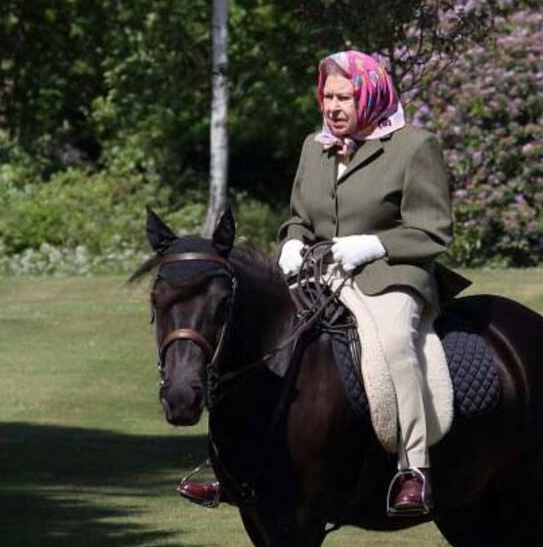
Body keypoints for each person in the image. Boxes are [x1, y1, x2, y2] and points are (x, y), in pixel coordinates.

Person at [179, 50, 454, 516]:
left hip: (390, 274)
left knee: (394, 343)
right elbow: (299, 218)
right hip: (320, 273)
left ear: (370, 95)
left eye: (344, 97)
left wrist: (374, 245)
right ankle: (230, 468)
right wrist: (291, 241)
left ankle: (414, 468)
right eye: (327, 97)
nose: (332, 107)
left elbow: (433, 230)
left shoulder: (415, 147)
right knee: (253, 335)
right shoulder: (315, 145)